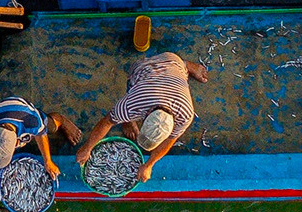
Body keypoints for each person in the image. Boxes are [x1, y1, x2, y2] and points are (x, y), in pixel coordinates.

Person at [74, 50, 208, 185]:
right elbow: (107, 121)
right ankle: (128, 121)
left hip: (174, 66)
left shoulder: (185, 115)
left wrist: (149, 164)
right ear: (144, 116)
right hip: (147, 67)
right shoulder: (133, 103)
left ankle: (186, 66)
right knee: (133, 83)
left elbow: (170, 140)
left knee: (179, 66)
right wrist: (87, 147)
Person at [0, 94, 80, 188]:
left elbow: (41, 135)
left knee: (51, 126)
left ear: (17, 142)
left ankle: (62, 120)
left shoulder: (31, 120)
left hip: (21, 108)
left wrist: (48, 161)